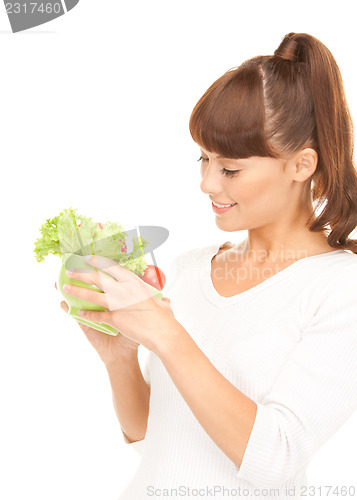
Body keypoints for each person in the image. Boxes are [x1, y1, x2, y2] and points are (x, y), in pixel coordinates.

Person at [57, 33, 357, 499]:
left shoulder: (339, 287)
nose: (205, 182)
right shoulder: (190, 268)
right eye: (203, 158)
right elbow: (151, 438)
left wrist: (167, 334)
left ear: (302, 165)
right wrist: (120, 358)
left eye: (230, 169)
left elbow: (276, 462)